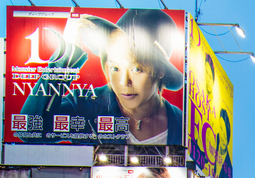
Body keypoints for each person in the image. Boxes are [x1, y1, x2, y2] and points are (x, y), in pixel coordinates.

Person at [19, 10, 184, 145]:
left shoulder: (180, 123)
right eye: (115, 68)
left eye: (136, 69)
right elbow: (28, 130)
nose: (123, 81)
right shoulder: (86, 105)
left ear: (160, 71)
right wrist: (64, 59)